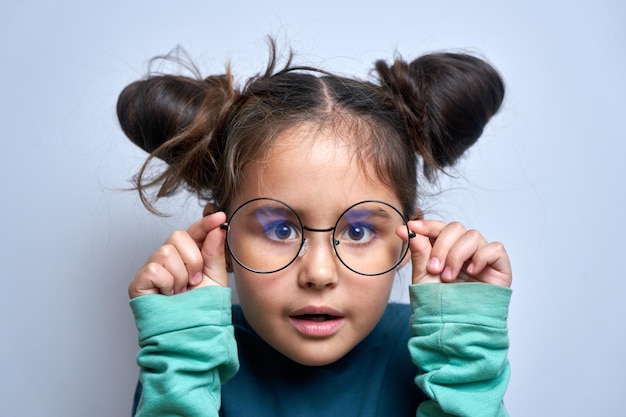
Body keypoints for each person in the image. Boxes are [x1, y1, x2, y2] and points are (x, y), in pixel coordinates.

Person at [117, 39, 512, 417]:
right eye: (280, 230)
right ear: (219, 242)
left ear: (411, 239)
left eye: (358, 232)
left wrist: (465, 354)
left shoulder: (444, 352)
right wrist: (182, 355)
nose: (319, 274)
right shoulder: (188, 351)